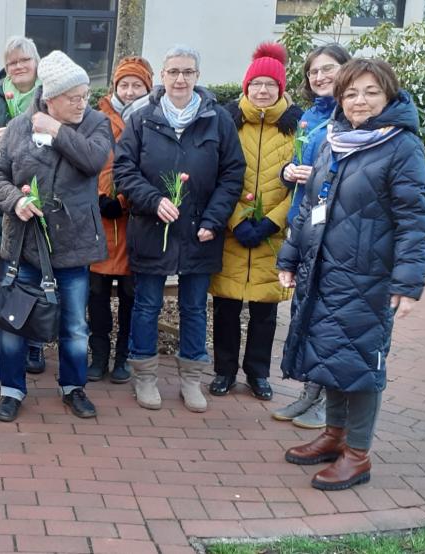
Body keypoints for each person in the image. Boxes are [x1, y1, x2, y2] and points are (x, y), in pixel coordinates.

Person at [278, 58, 425, 490]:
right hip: (326, 271)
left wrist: (407, 281)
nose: (359, 101)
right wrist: (290, 258)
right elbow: (310, 206)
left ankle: (358, 455)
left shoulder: (401, 146)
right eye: (351, 93)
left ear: (388, 95)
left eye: (370, 92)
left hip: (370, 277)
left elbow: (414, 218)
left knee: (361, 361)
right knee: (330, 353)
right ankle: (333, 435)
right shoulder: (335, 140)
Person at [114, 44, 246, 413]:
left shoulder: (217, 119)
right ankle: (144, 375)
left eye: (187, 72)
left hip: (200, 231)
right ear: (162, 76)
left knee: (193, 307)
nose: (180, 79)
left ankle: (191, 379)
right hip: (152, 228)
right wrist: (153, 200)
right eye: (173, 72)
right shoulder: (141, 118)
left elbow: (232, 173)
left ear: (197, 77)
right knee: (146, 304)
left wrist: (213, 220)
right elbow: (124, 170)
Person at [0, 50, 113, 423]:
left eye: (84, 96)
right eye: (72, 98)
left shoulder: (95, 123)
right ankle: (11, 390)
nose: (80, 104)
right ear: (50, 97)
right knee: (14, 321)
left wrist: (56, 131)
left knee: (74, 324)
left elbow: (93, 161)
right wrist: (16, 200)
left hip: (74, 243)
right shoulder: (20, 126)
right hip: (26, 243)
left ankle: (73, 387)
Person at [208, 43, 301, 402]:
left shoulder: (296, 128)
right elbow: (216, 177)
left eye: (271, 85)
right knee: (227, 309)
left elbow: (305, 185)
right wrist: (235, 221)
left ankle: (258, 373)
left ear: (281, 89)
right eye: (257, 84)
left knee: (265, 312)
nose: (263, 91)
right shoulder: (228, 122)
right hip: (233, 233)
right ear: (246, 87)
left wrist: (272, 223)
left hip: (271, 236)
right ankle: (224, 371)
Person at [273, 43, 352, 429]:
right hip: (304, 225)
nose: (320, 77)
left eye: (329, 69)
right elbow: (300, 164)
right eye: (314, 71)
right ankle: (308, 393)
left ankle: (328, 403)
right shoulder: (307, 117)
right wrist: (289, 171)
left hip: (337, 233)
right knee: (304, 312)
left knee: (329, 318)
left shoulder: (351, 118)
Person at [0, 35, 46, 375]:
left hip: (43, 202)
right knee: (3, 281)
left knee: (38, 279)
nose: (18, 67)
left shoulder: (51, 96)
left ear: (36, 63)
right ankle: (0, 348)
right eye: (12, 62)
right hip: (2, 206)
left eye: (24, 61)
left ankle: (33, 347)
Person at [87, 56, 153, 384]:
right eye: (124, 85)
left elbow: (152, 170)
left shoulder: (153, 121)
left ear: (147, 88)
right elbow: (85, 164)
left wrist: (126, 200)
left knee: (130, 296)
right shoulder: (96, 119)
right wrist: (98, 199)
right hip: (99, 222)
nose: (129, 91)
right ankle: (98, 354)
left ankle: (122, 357)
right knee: (96, 295)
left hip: (134, 223)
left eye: (136, 85)